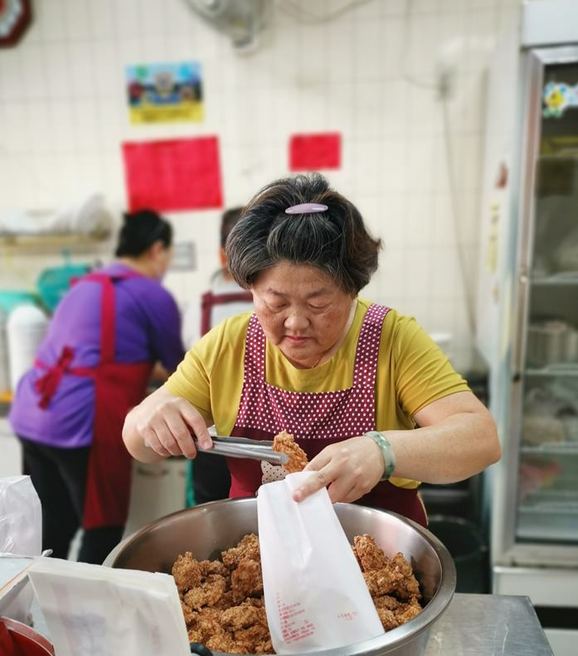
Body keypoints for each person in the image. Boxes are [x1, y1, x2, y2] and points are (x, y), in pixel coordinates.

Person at [123, 175, 501, 525]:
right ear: (251, 290)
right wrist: (151, 419)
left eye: (318, 304)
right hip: (258, 556)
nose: (296, 323)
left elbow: (479, 438)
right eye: (276, 303)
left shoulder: (393, 340)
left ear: (354, 290)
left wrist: (382, 451)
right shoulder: (229, 345)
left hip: (381, 560)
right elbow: (137, 442)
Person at [10, 210, 184, 562]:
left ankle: (38, 609)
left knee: (53, 524)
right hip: (81, 419)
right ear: (156, 250)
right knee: (102, 527)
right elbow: (181, 369)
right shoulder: (151, 294)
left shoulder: (85, 284)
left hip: (33, 411)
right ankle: (85, 613)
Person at [181, 207, 251, 505]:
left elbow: (185, 359)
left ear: (223, 255)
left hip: (212, 438)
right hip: (260, 442)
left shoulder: (201, 307)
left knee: (212, 519)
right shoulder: (287, 302)